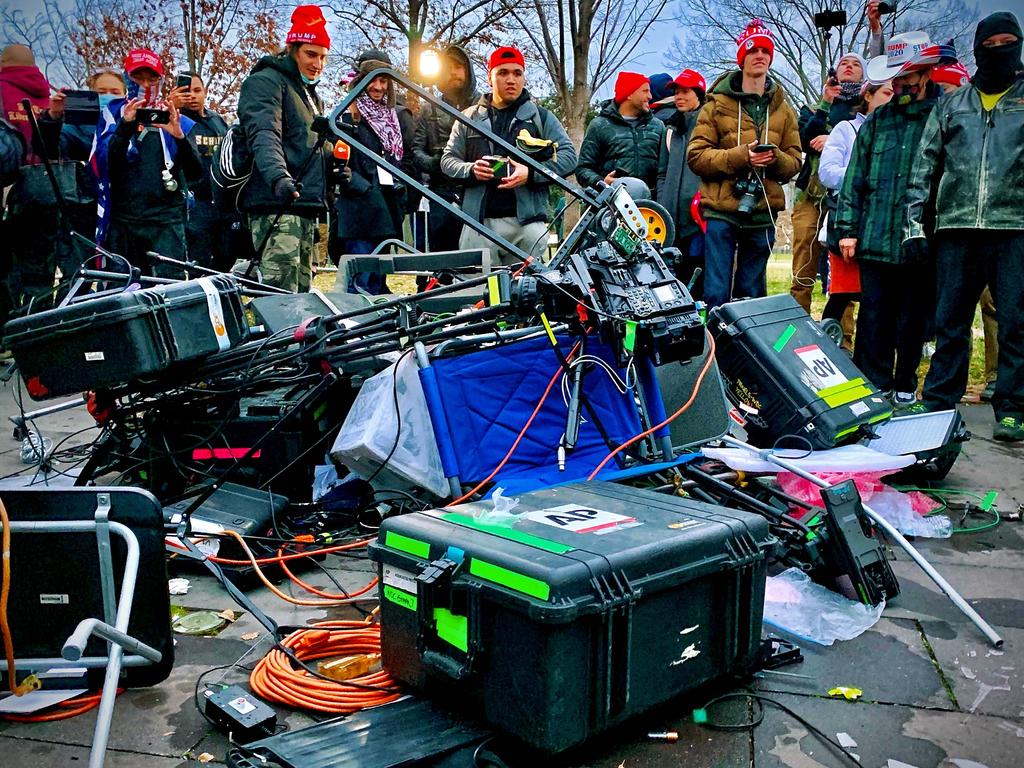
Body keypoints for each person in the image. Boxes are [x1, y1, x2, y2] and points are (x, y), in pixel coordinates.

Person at [905, 12, 1024, 441]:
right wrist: (913, 226)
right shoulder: (952, 104)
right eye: (990, 45)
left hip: (1014, 229)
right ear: (977, 51)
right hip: (956, 227)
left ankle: (1012, 407)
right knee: (950, 319)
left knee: (1015, 321)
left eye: (1008, 43)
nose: (999, 51)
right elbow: (923, 167)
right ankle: (938, 400)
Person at [835, 32, 954, 407]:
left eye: (907, 76)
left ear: (925, 74)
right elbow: (854, 178)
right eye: (895, 77)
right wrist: (848, 230)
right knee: (874, 318)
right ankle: (874, 385)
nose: (899, 83)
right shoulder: (877, 122)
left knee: (914, 319)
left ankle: (905, 384)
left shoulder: (945, 117)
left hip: (922, 241)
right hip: (874, 236)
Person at [687, 19, 801, 309]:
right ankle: (713, 351)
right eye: (752, 50)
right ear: (742, 57)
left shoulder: (784, 109)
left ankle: (744, 355)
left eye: (765, 50)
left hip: (762, 212)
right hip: (721, 210)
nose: (759, 55)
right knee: (716, 292)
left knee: (752, 295)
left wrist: (774, 158)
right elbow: (696, 157)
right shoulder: (714, 105)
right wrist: (741, 157)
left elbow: (795, 162)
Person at [441, 46, 576, 266]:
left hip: (528, 227)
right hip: (478, 225)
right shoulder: (468, 118)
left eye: (517, 73)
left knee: (528, 295)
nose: (511, 79)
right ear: (490, 77)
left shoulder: (542, 118)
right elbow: (447, 161)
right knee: (479, 295)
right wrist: (471, 170)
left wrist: (531, 173)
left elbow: (569, 157)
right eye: (503, 73)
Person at [237, 4, 331, 293]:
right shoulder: (265, 82)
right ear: (292, 49)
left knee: (302, 297)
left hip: (304, 206)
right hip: (276, 204)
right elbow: (264, 134)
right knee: (280, 296)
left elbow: (307, 145)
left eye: (323, 57)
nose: (317, 64)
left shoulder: (309, 95)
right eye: (311, 54)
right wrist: (278, 177)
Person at [98, 49, 201, 278]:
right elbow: (107, 167)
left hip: (166, 223)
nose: (145, 84)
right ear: (127, 78)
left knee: (168, 289)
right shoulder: (111, 116)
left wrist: (179, 138)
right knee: (123, 291)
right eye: (138, 78)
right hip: (124, 223)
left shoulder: (178, 120)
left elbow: (196, 173)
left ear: (161, 80)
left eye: (151, 78)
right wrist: (126, 126)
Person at [33, 68, 126, 300]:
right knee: (77, 279)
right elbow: (47, 151)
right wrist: (52, 118)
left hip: (124, 217)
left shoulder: (131, 126)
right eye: (101, 92)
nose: (108, 96)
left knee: (120, 279)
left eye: (115, 92)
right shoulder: (72, 127)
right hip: (81, 215)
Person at [817, 79, 893, 330]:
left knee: (878, 299)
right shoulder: (845, 129)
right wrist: (863, 175)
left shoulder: (896, 131)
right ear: (868, 96)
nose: (892, 97)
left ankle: (868, 357)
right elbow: (827, 173)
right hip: (846, 221)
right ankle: (827, 344)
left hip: (883, 225)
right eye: (887, 92)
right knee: (841, 294)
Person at [334, 58, 413, 294]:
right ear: (360, 81)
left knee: (378, 283)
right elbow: (336, 162)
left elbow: (404, 156)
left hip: (387, 208)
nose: (378, 87)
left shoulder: (392, 116)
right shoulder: (347, 114)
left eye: (383, 81)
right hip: (360, 213)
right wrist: (362, 186)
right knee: (359, 284)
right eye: (372, 80)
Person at [0, 43, 53, 312]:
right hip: (49, 190)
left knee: (11, 272)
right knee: (41, 272)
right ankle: (40, 332)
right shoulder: (47, 96)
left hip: (12, 192)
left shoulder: (2, 89)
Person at [412, 45, 479, 252]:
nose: (453, 72)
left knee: (476, 254)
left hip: (475, 190)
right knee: (441, 253)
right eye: (448, 67)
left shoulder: (484, 107)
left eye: (458, 66)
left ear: (467, 70)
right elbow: (416, 150)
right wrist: (434, 163)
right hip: (440, 191)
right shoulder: (428, 108)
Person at [655, 68, 707, 296]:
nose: (679, 97)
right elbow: (662, 173)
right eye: (676, 92)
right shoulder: (670, 130)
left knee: (700, 276)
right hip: (671, 223)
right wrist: (662, 203)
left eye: (685, 91)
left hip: (699, 221)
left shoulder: (709, 126)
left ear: (698, 93)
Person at [575, 72, 664, 195]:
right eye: (645, 91)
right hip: (609, 206)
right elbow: (583, 169)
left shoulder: (657, 126)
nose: (650, 96)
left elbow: (665, 172)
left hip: (648, 207)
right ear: (629, 94)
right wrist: (602, 184)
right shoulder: (599, 125)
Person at [178, 71, 232, 271]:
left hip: (222, 202)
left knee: (224, 261)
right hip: (194, 203)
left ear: (205, 92)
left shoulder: (217, 121)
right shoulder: (177, 121)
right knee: (197, 263)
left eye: (197, 90)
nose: (192, 95)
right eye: (186, 91)